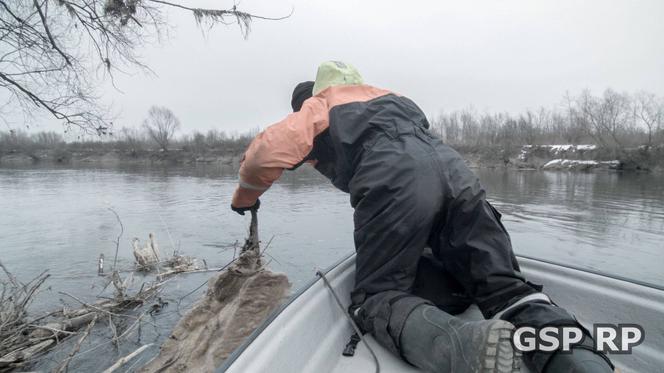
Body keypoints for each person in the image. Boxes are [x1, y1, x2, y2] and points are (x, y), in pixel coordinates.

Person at [231, 61, 614, 373]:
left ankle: (464, 347)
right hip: (456, 172)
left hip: (394, 178)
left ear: (318, 91)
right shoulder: (391, 98)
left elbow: (265, 153)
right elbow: (419, 159)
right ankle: (583, 361)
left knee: (375, 297)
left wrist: (244, 199)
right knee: (506, 289)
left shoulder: (322, 105)